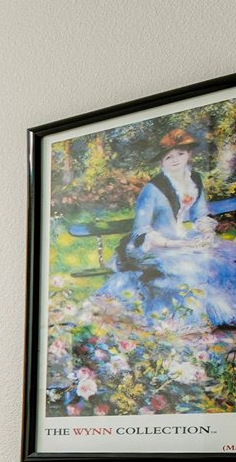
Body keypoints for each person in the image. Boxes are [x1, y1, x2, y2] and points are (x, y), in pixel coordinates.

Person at [97, 127, 236, 329]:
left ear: (189, 154)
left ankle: (223, 314)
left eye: (181, 153)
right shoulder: (152, 189)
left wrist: (206, 232)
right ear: (162, 161)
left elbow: (199, 212)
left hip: (183, 237)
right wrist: (176, 244)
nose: (176, 160)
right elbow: (141, 230)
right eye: (169, 157)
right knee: (190, 267)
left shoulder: (194, 179)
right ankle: (185, 321)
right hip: (153, 245)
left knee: (226, 257)